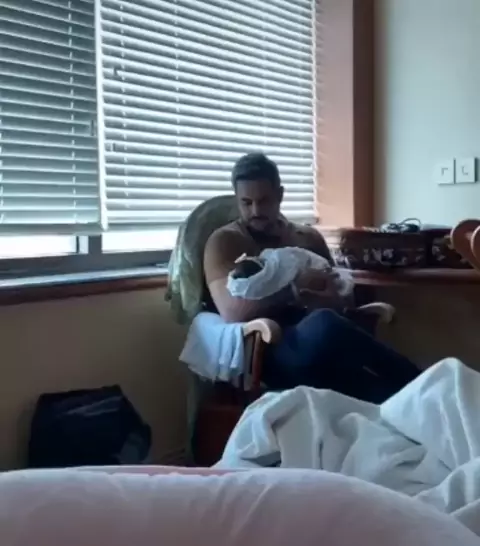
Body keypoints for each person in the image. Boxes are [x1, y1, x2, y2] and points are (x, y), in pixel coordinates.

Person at [203, 152, 419, 403]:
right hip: (272, 347)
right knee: (325, 324)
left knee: (385, 397)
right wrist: (295, 289)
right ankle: (421, 380)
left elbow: (341, 294)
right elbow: (233, 312)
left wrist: (330, 297)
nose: (256, 211)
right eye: (246, 203)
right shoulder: (225, 241)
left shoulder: (307, 238)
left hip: (326, 345)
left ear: (280, 195)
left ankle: (425, 395)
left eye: (264, 201)